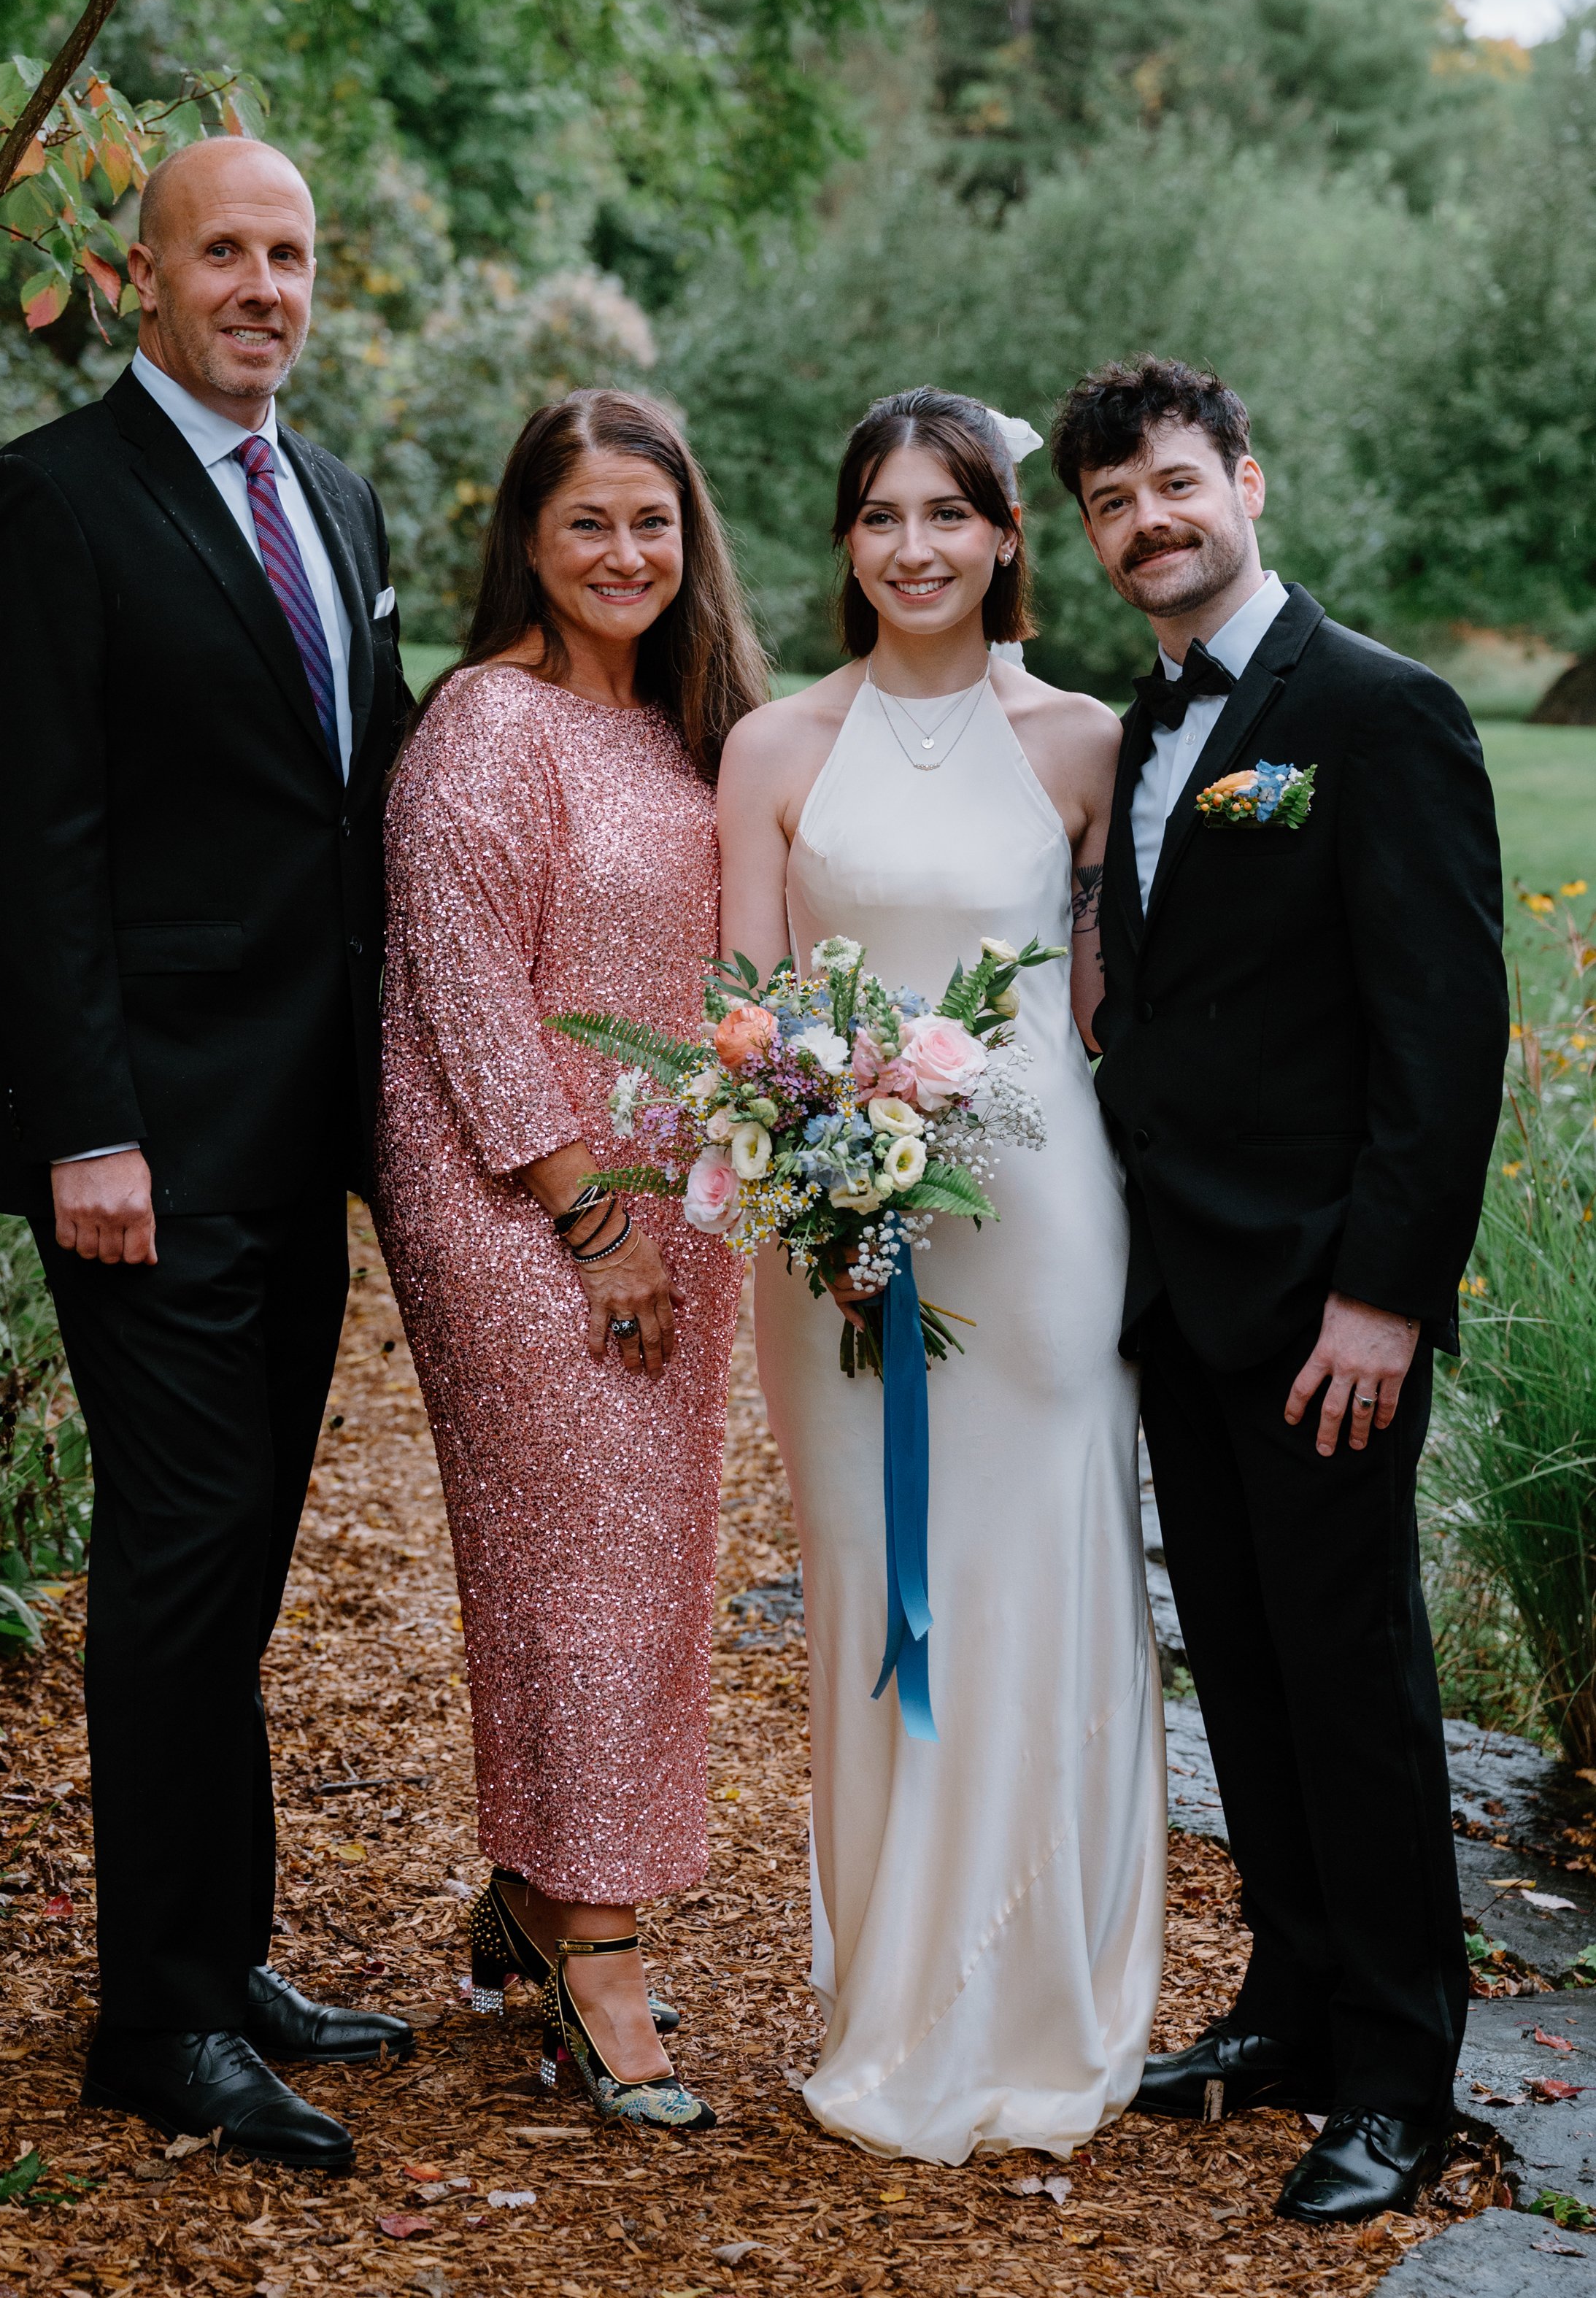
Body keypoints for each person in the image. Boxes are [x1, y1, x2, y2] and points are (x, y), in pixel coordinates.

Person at [0, 136, 415, 2170]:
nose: (261, 286)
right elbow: (30, 844)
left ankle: (222, 1956)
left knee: (240, 1558)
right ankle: (154, 2021)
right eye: (222, 251)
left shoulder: (336, 497)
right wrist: (90, 1129)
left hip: (296, 1136)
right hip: (140, 1151)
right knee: (179, 1556)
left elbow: (360, 798)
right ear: (139, 277)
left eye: (288, 254)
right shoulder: (50, 502)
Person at [1052, 355, 1508, 2225]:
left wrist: (1384, 1297)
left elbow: (1443, 1037)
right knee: (1239, 1669)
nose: (1146, 521)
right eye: (1111, 504)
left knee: (1352, 1680)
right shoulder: (1141, 727)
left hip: (1326, 1308)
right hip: (1177, 1291)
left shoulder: (1379, 714)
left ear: (1246, 482)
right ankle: (1292, 2003)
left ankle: (1397, 2074)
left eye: (1174, 482)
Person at [715, 387, 1165, 2166]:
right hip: (835, 1243)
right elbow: (743, 1016)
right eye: (882, 516)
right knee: (871, 1591)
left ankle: (1041, 1999)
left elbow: (1111, 1006)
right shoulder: (774, 748)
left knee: (1034, 1579)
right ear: (846, 541)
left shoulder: (1083, 742)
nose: (915, 548)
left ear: (1003, 537)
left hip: (1038, 1225)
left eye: (948, 514)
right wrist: (818, 1199)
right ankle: (893, 2001)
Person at [376, 389, 768, 2131]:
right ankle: (598, 1954)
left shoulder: (692, 726)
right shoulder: (486, 723)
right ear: (528, 540)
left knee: (637, 1565)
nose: (625, 554)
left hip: (678, 1208)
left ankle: (538, 1888)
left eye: (651, 523)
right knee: (582, 1570)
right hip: (520, 1201)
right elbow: (463, 996)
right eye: (589, 523)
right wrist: (589, 1219)